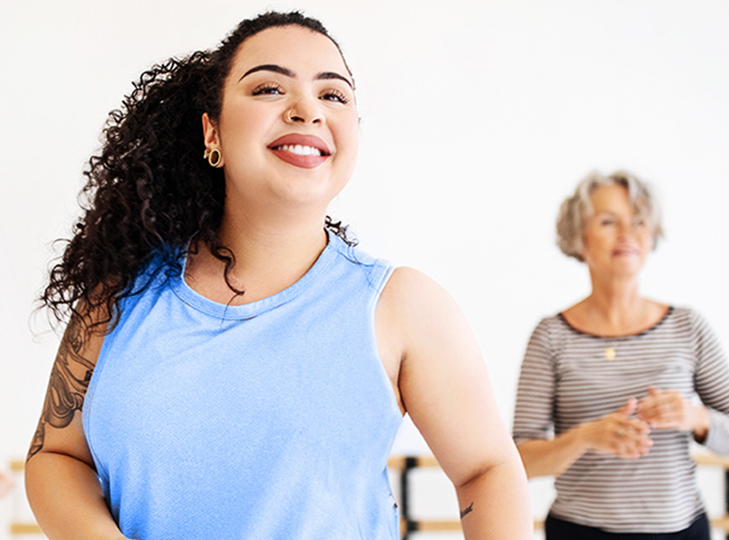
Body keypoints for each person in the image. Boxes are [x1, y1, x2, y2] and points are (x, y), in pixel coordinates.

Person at [25, 11, 531, 540]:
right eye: (269, 87)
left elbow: (486, 470)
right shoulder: (119, 294)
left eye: (334, 95)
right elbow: (56, 456)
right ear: (211, 132)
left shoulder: (401, 308)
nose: (307, 109)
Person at [513, 170, 729, 539]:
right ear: (579, 236)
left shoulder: (688, 327)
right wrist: (584, 437)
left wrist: (695, 417)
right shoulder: (550, 336)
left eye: (640, 221)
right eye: (609, 221)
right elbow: (520, 462)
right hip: (579, 532)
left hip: (681, 531)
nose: (628, 234)